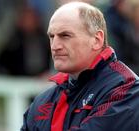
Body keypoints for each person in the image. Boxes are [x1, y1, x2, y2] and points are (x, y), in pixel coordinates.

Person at [21, 2, 139, 131]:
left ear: (96, 40)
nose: (55, 46)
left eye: (65, 36)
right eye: (51, 36)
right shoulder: (43, 101)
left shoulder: (126, 89)